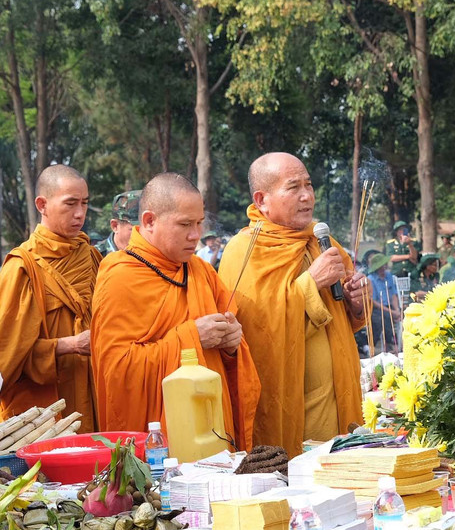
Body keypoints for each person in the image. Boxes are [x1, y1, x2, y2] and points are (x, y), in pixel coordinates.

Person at [91, 173, 260, 449]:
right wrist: (193, 337)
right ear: (148, 221)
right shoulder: (120, 277)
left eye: (198, 223)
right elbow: (117, 372)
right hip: (160, 445)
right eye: (184, 224)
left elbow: (226, 356)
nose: (195, 236)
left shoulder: (200, 270)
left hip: (213, 430)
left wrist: (231, 344)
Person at [219, 152, 368, 456]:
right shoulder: (245, 250)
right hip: (291, 400)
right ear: (262, 199)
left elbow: (348, 318)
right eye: (293, 187)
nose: (306, 196)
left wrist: (357, 302)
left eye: (309, 185)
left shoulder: (321, 240)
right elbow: (256, 332)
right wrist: (310, 283)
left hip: (339, 396)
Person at [0, 165, 101, 433]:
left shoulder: (91, 258)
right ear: (42, 204)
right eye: (70, 204)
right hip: (43, 414)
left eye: (84, 203)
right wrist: (67, 345)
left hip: (94, 398)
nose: (80, 213)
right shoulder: (22, 266)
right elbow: (5, 359)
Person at [368, 254, 399, 353]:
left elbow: (394, 294)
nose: (384, 267)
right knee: (384, 317)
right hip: (377, 307)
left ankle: (397, 342)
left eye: (384, 265)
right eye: (381, 266)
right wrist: (392, 312)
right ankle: (391, 344)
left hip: (390, 306)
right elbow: (374, 301)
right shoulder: (370, 279)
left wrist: (397, 310)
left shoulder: (388, 275)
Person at [96, 190, 141, 257]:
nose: (142, 235)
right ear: (115, 226)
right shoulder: (95, 257)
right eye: (135, 229)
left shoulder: (154, 256)